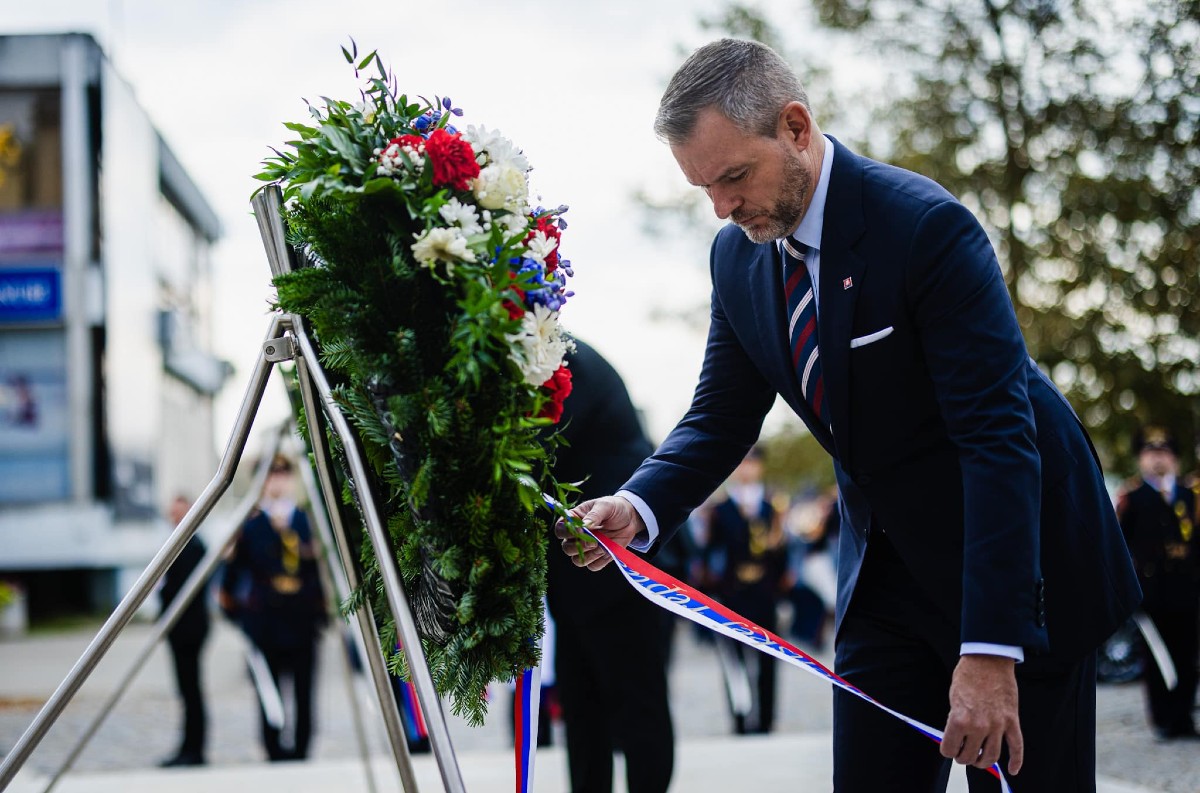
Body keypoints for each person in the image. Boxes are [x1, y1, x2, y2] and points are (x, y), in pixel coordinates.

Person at [556, 38, 1141, 792]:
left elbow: (997, 440)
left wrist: (993, 649)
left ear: (796, 127)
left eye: (734, 176)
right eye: (703, 189)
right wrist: (637, 505)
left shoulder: (927, 229)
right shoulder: (735, 257)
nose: (724, 208)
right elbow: (721, 415)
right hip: (884, 581)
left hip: (1017, 567)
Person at [547, 337, 674, 793]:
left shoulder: (556, 361)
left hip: (622, 572)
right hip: (576, 576)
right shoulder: (550, 352)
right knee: (583, 714)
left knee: (637, 710)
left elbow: (538, 450)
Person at [219, 454, 327, 762]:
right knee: (270, 689)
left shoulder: (308, 520)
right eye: (269, 475)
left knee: (305, 689)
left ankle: (303, 747)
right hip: (266, 618)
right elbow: (233, 572)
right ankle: (274, 748)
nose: (276, 481)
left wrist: (322, 611)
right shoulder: (250, 524)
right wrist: (237, 615)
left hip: (302, 617)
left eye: (281, 474)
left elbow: (321, 570)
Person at [1116, 427, 1199, 742]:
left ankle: (1184, 718)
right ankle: (1164, 718)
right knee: (1158, 659)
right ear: (1141, 459)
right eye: (1151, 453)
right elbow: (1121, 545)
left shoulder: (1190, 495)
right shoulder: (1133, 497)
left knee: (1186, 655)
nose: (1158, 459)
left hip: (1186, 590)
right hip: (1152, 594)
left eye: (1164, 453)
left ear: (1174, 457)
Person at [699, 446, 787, 734]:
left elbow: (782, 552)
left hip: (764, 591)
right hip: (732, 592)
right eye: (741, 464)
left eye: (751, 463)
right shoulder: (720, 508)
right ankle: (739, 718)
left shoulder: (773, 506)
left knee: (769, 657)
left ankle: (766, 719)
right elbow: (710, 551)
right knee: (733, 660)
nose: (746, 469)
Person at [158, 495, 210, 767]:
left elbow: (182, 590)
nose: (174, 518)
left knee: (191, 691)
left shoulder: (193, 546)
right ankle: (188, 747)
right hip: (179, 630)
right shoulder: (179, 544)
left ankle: (194, 749)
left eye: (179, 513)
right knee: (186, 691)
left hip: (189, 629)